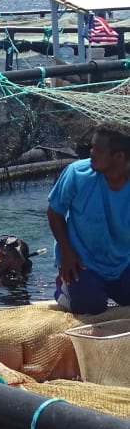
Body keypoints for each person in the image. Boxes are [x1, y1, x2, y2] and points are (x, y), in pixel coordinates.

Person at [48, 122, 130, 314]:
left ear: (118, 157)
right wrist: (66, 254)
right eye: (92, 146)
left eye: (98, 149)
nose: (91, 152)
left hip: (122, 263)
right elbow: (55, 211)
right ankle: (64, 288)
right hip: (83, 263)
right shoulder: (77, 174)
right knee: (91, 306)